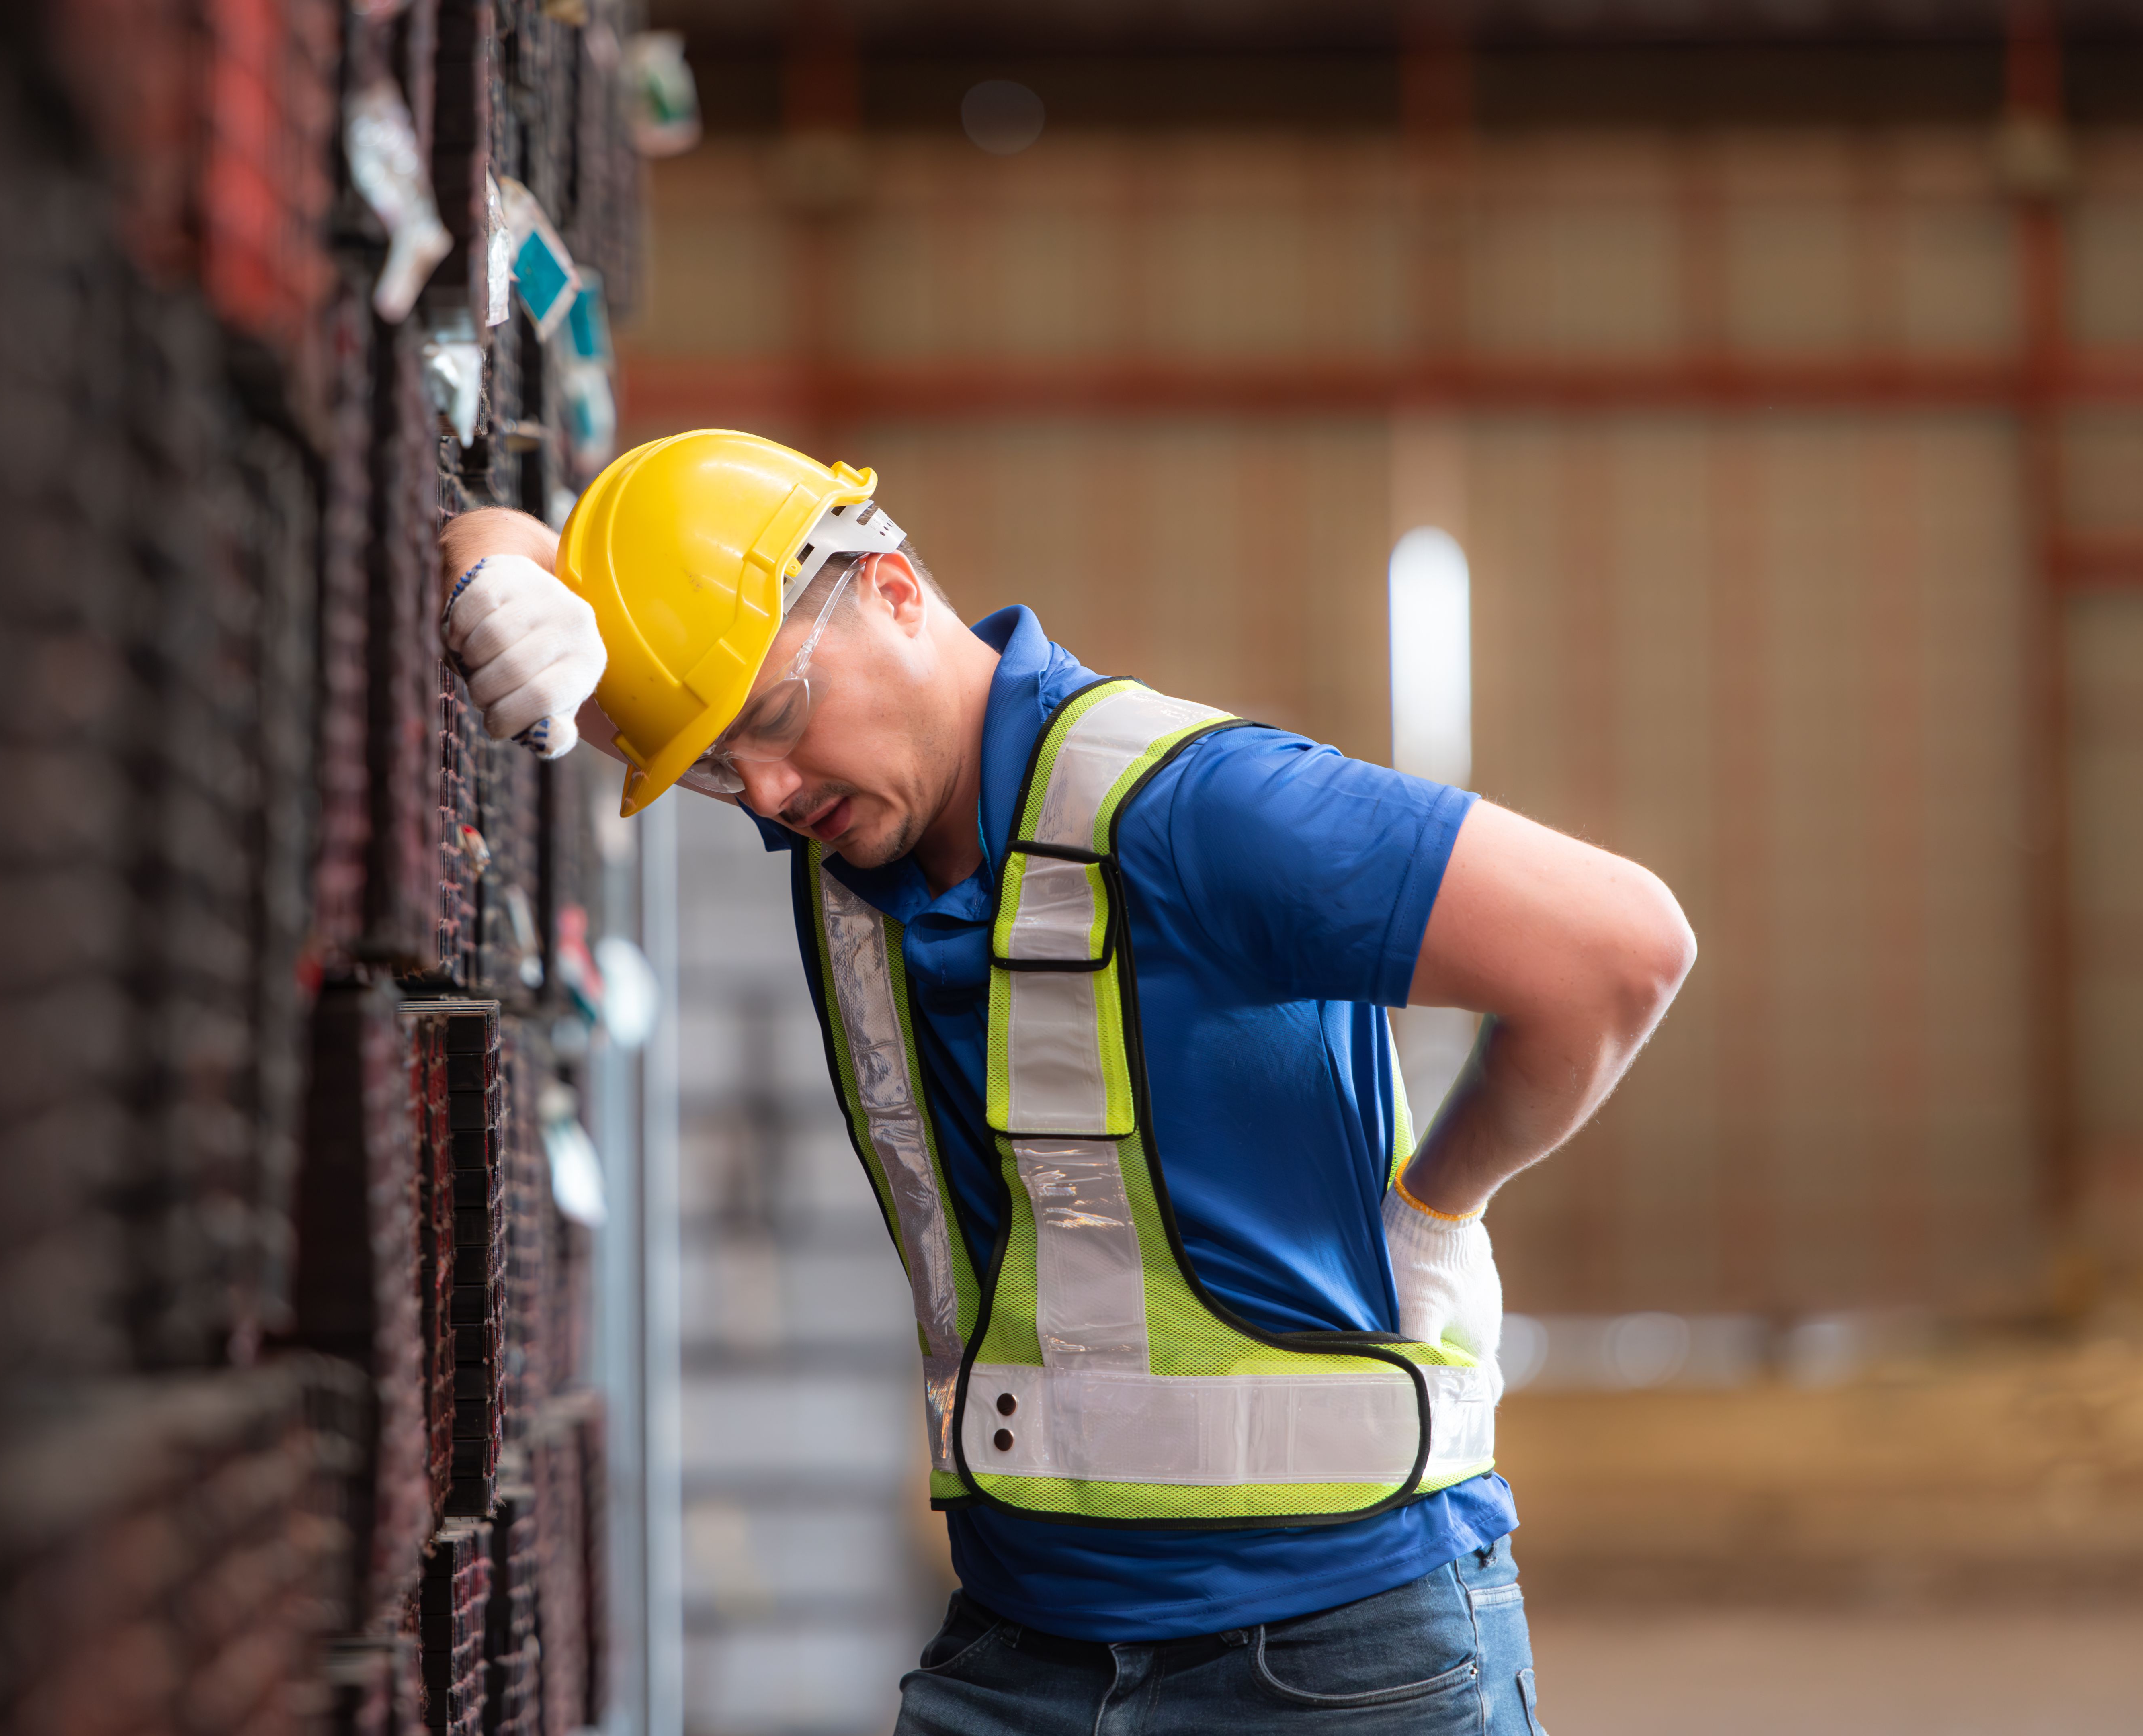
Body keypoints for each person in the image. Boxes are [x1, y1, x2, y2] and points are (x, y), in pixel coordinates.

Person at [438, 431, 1693, 1736]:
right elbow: (549, 639)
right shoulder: (854, 805)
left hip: (1333, 1654)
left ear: (892, 591)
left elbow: (1620, 950)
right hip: (1020, 1647)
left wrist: (1440, 1206)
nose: (761, 790)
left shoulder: (1199, 814)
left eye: (773, 721)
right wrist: (493, 556)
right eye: (711, 765)